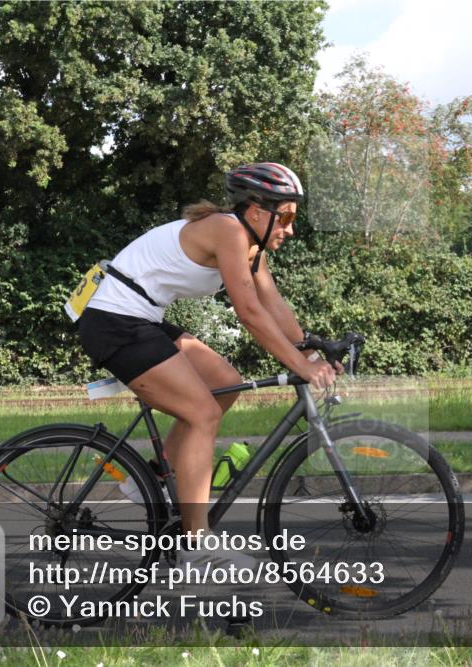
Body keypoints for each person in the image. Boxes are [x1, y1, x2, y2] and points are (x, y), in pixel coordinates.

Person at [76, 163, 338, 566]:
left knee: (226, 383)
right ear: (256, 211)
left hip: (141, 319)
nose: (291, 229)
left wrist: (312, 356)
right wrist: (300, 368)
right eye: (285, 217)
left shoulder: (250, 247)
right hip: (115, 322)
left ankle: (150, 478)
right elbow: (249, 312)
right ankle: (195, 545)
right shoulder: (227, 230)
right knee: (201, 413)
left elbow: (272, 303)